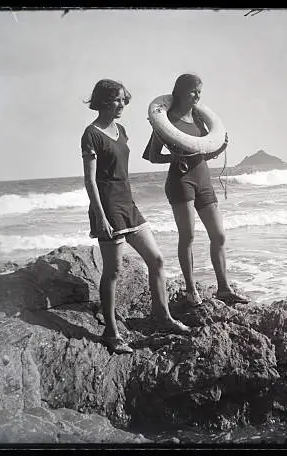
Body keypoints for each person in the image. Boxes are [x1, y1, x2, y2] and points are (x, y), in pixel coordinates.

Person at [81, 79, 190, 354]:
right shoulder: (91, 134)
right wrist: (101, 216)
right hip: (108, 208)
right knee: (113, 271)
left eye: (124, 100)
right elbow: (90, 181)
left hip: (129, 205)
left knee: (157, 260)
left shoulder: (122, 130)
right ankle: (111, 332)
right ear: (103, 100)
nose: (122, 104)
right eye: (117, 99)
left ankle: (163, 317)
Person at [142, 73, 249, 305]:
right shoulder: (165, 121)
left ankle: (224, 289)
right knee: (188, 236)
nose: (198, 95)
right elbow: (151, 156)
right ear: (179, 92)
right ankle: (191, 291)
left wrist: (220, 148)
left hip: (204, 180)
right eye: (193, 91)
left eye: (200, 91)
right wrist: (174, 156)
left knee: (219, 235)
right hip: (181, 181)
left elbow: (201, 152)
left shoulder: (200, 120)